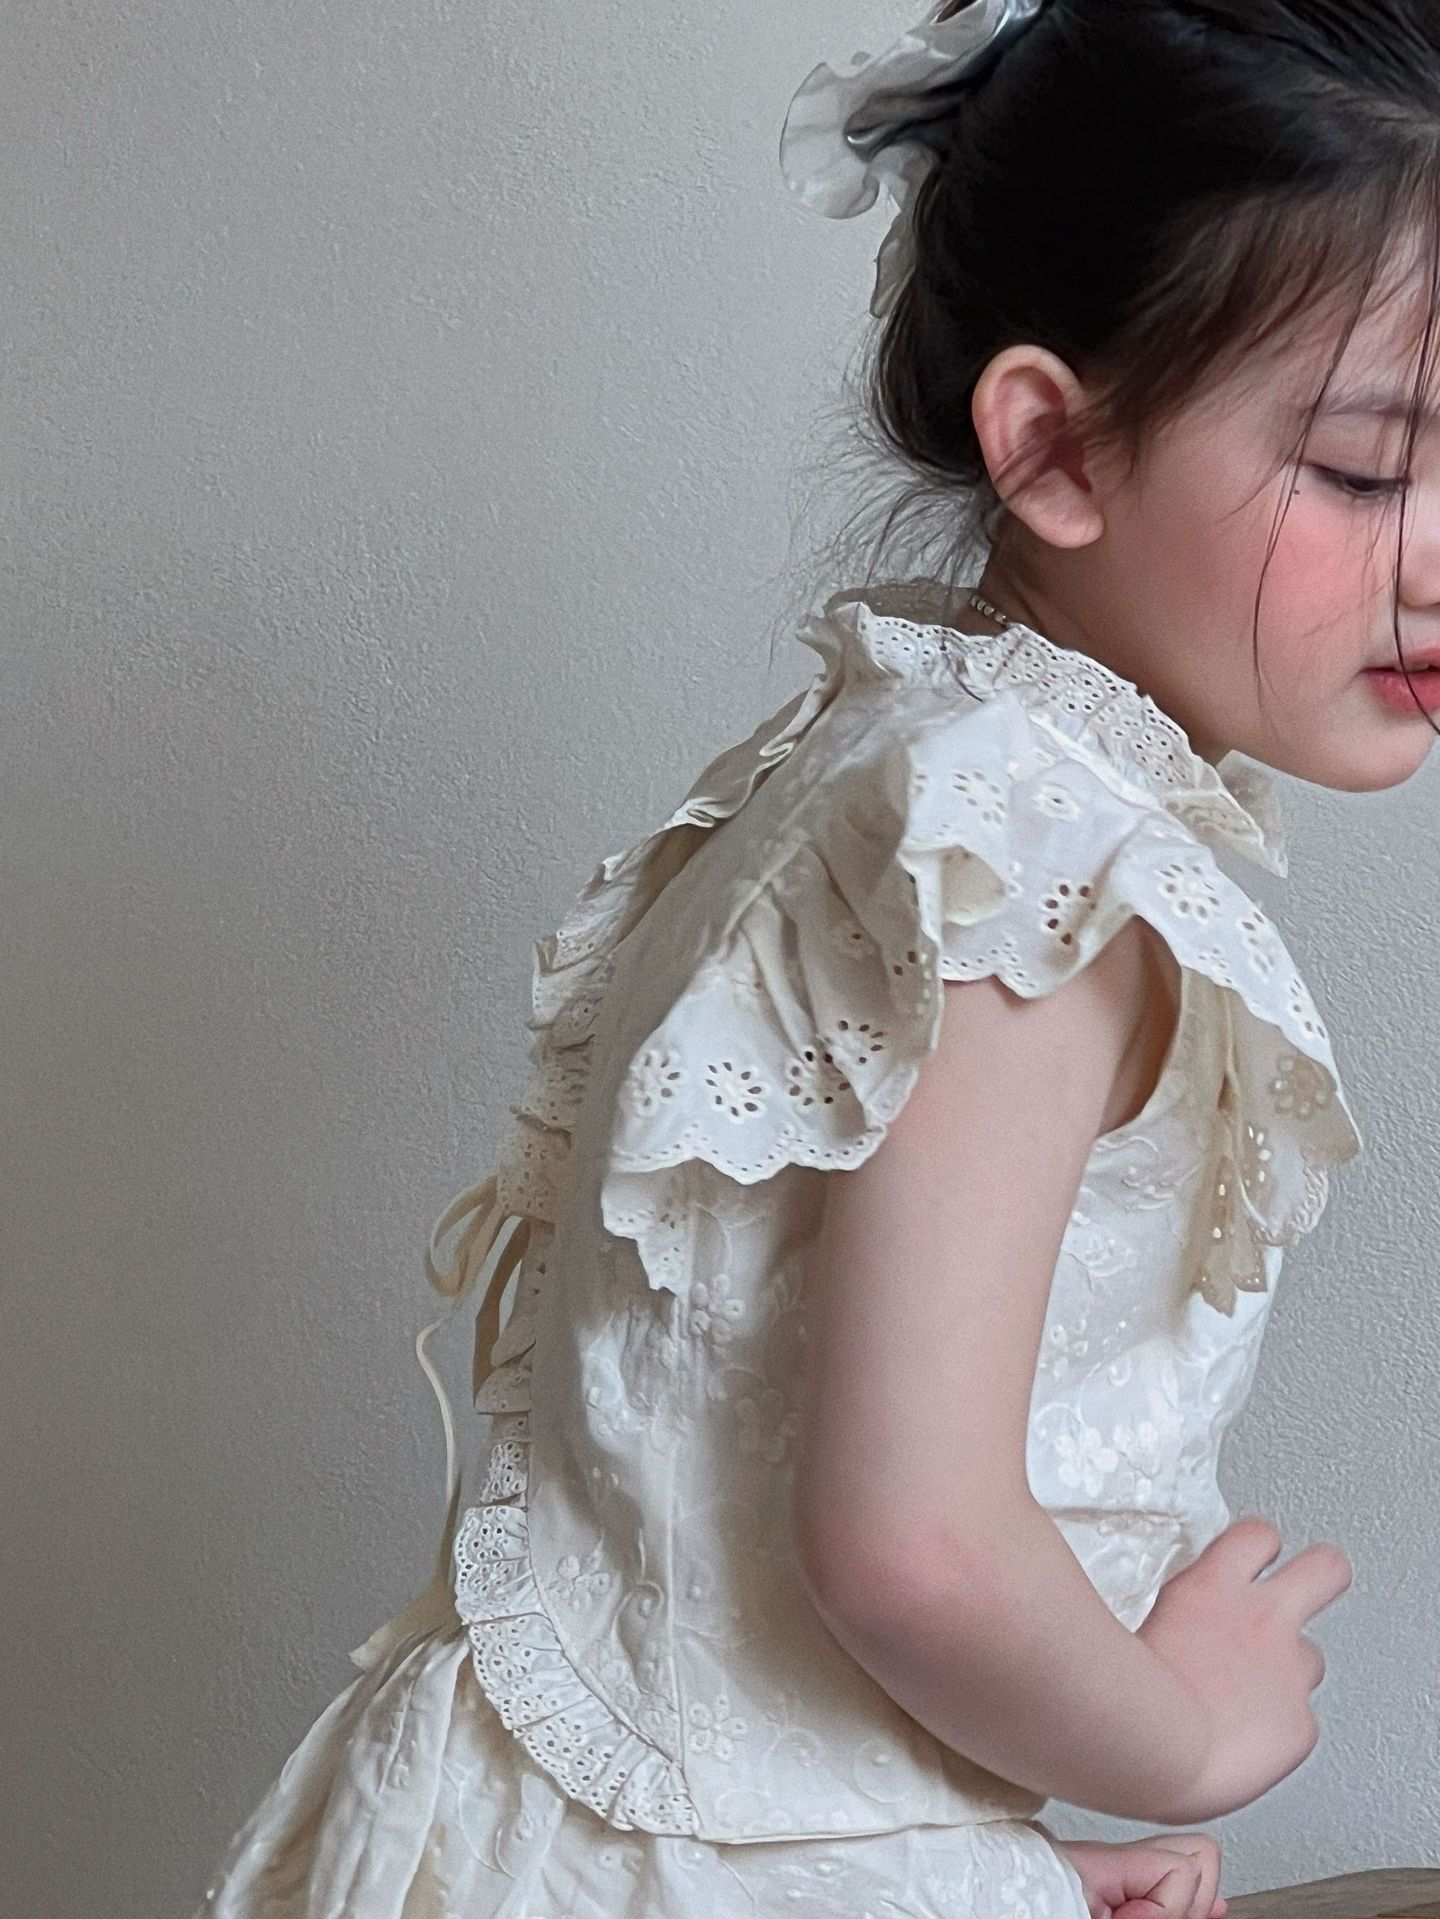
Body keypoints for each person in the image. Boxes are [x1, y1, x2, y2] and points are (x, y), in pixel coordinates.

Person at [193, 0, 1440, 1911]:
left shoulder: (896, 762)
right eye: (1367, 467)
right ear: (1054, 446)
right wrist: (1187, 1736)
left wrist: (960, 1859)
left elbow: (715, 1468)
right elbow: (910, 1548)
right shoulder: (1036, 872)